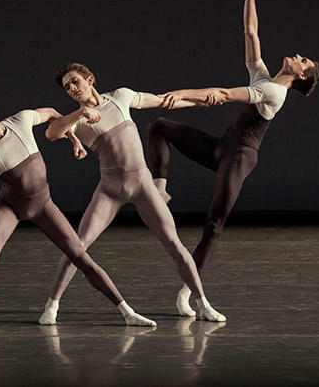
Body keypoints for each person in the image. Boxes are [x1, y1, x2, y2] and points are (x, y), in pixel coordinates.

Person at [148, 0, 319, 311]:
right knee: (158, 127)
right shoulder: (262, 77)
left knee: (213, 224)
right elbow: (251, 32)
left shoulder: (275, 92)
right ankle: (160, 188)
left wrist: (183, 93)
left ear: (301, 76)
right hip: (221, 147)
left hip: (239, 158)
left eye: (303, 61)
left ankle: (188, 293)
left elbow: (225, 94)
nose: (298, 56)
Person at [0, 97, 156, 331]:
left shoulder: (21, 120)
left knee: (82, 258)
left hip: (43, 205)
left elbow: (53, 113)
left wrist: (74, 140)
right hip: (9, 207)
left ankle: (128, 313)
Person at [38, 64, 226, 325]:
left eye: (75, 82)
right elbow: (51, 133)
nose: (71, 88)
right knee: (77, 247)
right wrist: (80, 113)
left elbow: (162, 100)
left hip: (142, 185)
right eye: (67, 87)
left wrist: (198, 100)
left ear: (90, 79)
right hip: (110, 190)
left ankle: (203, 304)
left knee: (174, 244)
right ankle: (52, 306)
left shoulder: (120, 97)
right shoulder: (77, 120)